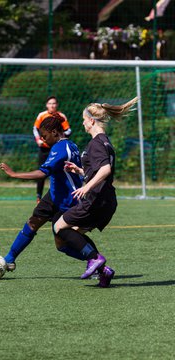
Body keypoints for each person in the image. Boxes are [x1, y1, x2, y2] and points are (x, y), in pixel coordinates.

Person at [54, 97, 138, 287]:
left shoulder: (96, 143)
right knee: (73, 234)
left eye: (84, 119)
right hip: (106, 200)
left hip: (96, 198)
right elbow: (99, 170)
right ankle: (103, 272)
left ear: (91, 120)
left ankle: (95, 259)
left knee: (59, 228)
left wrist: (86, 187)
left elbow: (106, 169)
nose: (83, 122)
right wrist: (80, 171)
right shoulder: (104, 141)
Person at [0, 115, 91, 271]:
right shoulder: (70, 145)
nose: (42, 139)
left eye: (45, 136)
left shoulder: (61, 148)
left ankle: (95, 260)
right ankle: (9, 259)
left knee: (61, 244)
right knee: (33, 222)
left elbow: (43, 173)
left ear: (54, 132)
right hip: (54, 195)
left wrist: (15, 174)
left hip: (67, 200)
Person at [33, 96, 72, 203]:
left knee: (58, 172)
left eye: (54, 103)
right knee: (42, 172)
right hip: (44, 149)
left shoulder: (60, 116)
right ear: (46, 105)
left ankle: (59, 195)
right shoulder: (42, 115)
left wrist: (60, 136)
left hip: (56, 148)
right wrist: (38, 140)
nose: (52, 105)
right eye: (50, 103)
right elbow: (35, 129)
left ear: (57, 105)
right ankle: (38, 196)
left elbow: (68, 131)